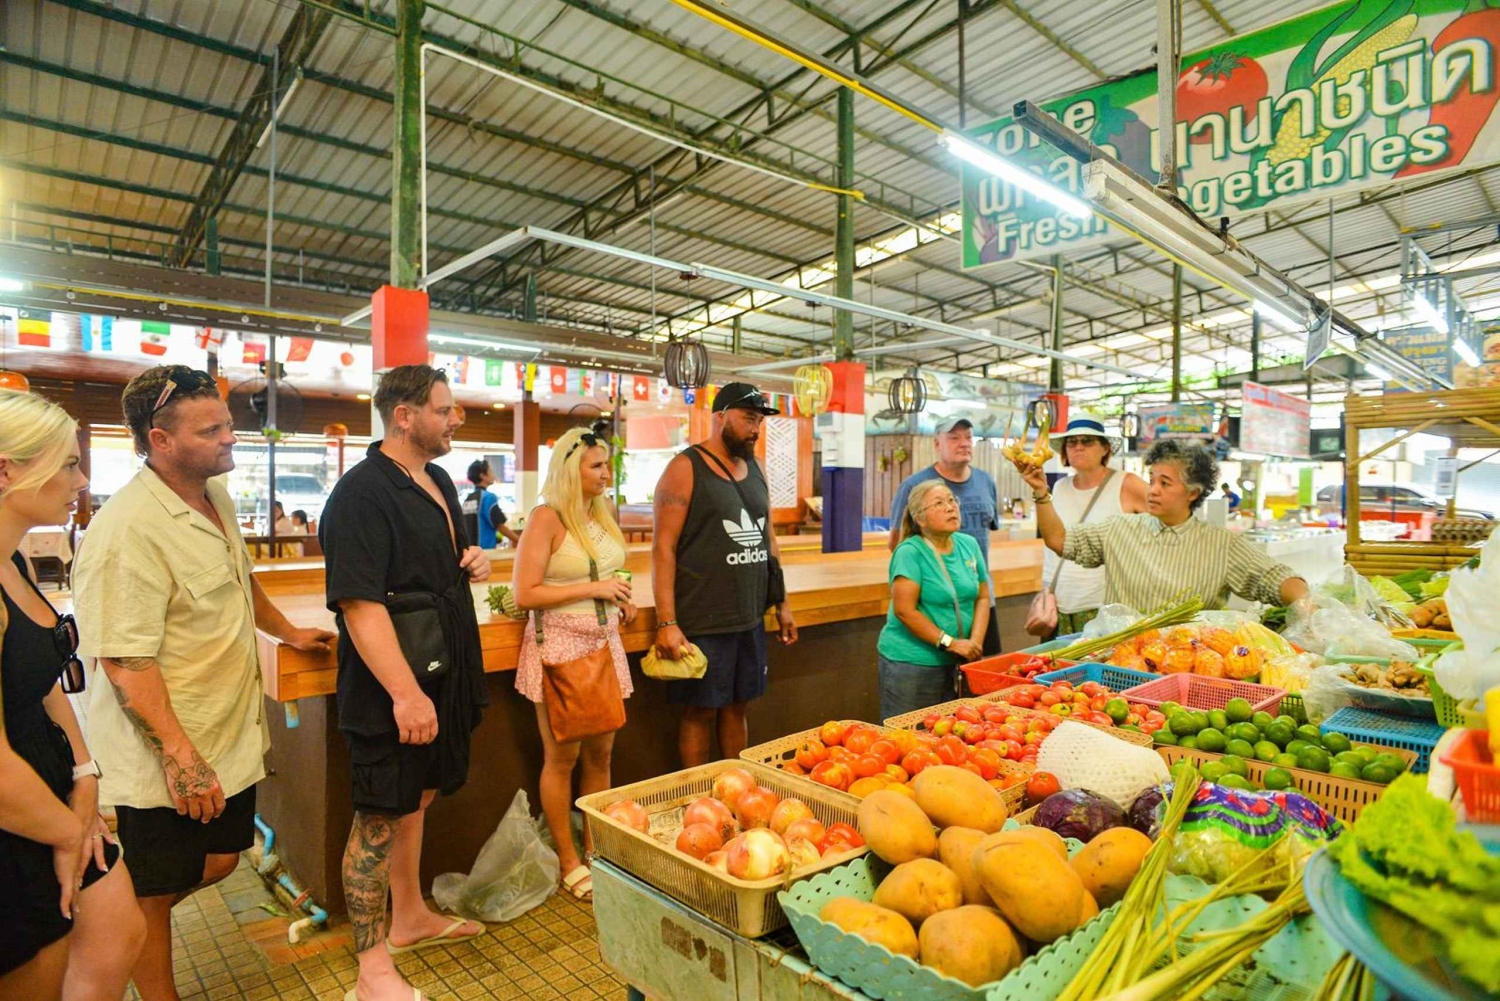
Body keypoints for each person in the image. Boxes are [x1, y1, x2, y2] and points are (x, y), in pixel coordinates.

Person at [71, 365, 334, 1001]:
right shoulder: (127, 530)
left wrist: (288, 634)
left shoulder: (211, 497)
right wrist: (180, 755)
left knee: (220, 859)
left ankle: (120, 917)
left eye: (227, 423)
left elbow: (241, 580)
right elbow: (125, 661)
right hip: (167, 746)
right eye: (211, 429)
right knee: (155, 890)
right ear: (160, 439)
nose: (231, 438)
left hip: (228, 732)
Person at [319, 365, 491, 1001]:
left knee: (417, 797)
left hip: (444, 664)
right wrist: (404, 694)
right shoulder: (361, 494)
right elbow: (360, 605)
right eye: (445, 410)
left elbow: (436, 564)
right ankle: (371, 972)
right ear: (404, 416)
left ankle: (412, 916)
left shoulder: (438, 478)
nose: (456, 420)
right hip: (395, 684)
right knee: (378, 818)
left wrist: (472, 559)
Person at [0, 389, 146, 1000]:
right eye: (67, 463)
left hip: (55, 784)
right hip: (17, 815)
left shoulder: (15, 560)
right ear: (7, 470)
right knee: (41, 968)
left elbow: (42, 681)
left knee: (118, 932)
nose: (82, 479)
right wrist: (64, 832)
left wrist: (85, 775)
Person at [512, 427, 634, 902]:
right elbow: (525, 594)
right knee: (562, 758)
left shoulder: (599, 514)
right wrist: (594, 590)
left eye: (607, 465)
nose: (606, 473)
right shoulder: (546, 518)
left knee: (602, 755)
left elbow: (607, 575)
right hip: (559, 647)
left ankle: (597, 846)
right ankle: (567, 857)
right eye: (596, 466)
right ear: (570, 469)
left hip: (605, 644)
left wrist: (622, 599)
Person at [652, 382, 798, 766]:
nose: (755, 428)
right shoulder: (684, 468)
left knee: (738, 707)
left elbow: (768, 539)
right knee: (699, 711)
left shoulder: (754, 468)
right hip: (702, 617)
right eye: (748, 418)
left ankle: (737, 789)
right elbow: (662, 549)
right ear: (720, 417)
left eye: (759, 421)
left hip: (748, 615)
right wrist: (666, 620)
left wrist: (782, 602)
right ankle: (699, 799)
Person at [1015, 439, 1310, 611]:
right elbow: (1060, 540)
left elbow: (1273, 578)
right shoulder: (1119, 529)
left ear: (1193, 493)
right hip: (1123, 666)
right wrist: (1041, 492)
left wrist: (1311, 606)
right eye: (1152, 480)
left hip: (1189, 670)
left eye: (1164, 483)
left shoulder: (1221, 544)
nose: (1152, 490)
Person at [876, 480, 990, 721]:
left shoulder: (969, 545)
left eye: (951, 500)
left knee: (950, 734)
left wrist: (974, 644)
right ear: (920, 518)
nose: (950, 507)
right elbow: (905, 611)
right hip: (913, 664)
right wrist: (951, 643)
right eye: (939, 503)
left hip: (960, 659)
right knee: (908, 736)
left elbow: (982, 596)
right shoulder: (910, 552)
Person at [887, 417, 1001, 653]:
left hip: (979, 599)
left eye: (969, 437)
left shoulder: (986, 481)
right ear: (937, 444)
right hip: (936, 604)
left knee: (979, 677)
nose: (964, 443)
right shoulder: (914, 485)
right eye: (954, 438)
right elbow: (897, 542)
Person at [1040, 417, 1149, 638]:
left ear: (1105, 448)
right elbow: (1053, 544)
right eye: (1072, 442)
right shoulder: (1059, 487)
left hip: (1106, 606)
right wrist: (1045, 590)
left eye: (1087, 441)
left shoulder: (1127, 484)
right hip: (1060, 605)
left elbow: (1164, 524)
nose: (1078, 447)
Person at [464, 459, 520, 549]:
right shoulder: (488, 497)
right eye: (490, 471)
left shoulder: (468, 499)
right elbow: (499, 525)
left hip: (470, 552)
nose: (493, 474)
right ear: (483, 476)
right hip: (485, 551)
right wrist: (520, 541)